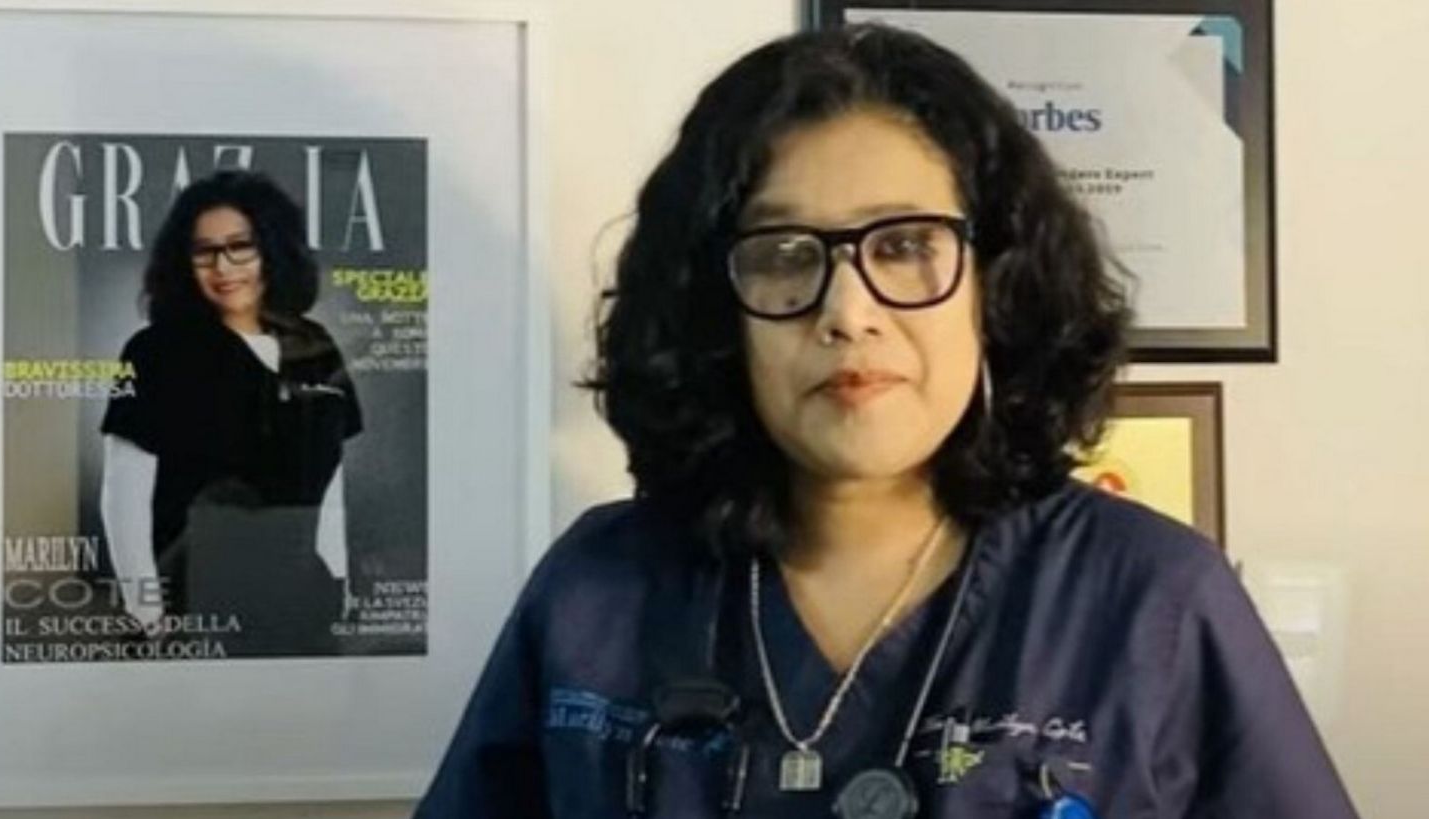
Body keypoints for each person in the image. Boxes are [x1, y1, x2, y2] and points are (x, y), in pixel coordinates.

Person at [417, 25, 1358, 818]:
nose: (848, 310)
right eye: (785, 253)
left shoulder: (1151, 600)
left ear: (996, 286)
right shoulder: (596, 591)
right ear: (715, 310)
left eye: (905, 245)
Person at [100, 170, 363, 657]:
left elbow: (332, 488)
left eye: (240, 247)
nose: (223, 266)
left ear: (273, 250)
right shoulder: (155, 351)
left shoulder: (316, 346)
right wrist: (147, 613)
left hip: (303, 602)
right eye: (204, 251)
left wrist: (339, 585)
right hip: (194, 607)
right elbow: (123, 497)